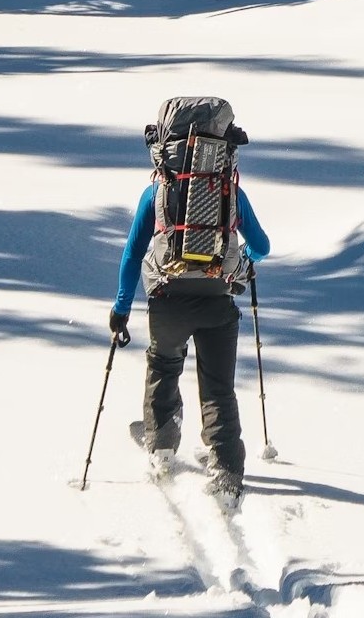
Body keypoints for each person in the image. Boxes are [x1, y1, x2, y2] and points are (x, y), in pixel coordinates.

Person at [109, 175, 270, 501]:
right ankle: (226, 470)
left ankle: (161, 444)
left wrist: (121, 308)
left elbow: (133, 254)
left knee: (163, 365)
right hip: (218, 303)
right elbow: (262, 247)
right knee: (218, 388)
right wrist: (245, 260)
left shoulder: (156, 193)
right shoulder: (230, 192)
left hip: (168, 301)